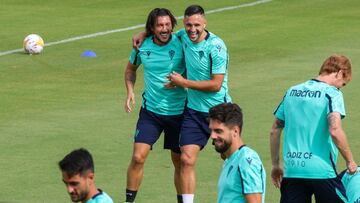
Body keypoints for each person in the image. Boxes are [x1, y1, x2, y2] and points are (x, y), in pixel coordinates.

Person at [133, 5, 231, 202]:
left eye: (196, 25)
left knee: (229, 157)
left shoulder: (216, 46)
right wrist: (144, 32)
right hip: (193, 112)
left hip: (219, 111)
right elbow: (164, 31)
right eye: (188, 25)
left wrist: (183, 83)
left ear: (205, 23)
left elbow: (216, 84)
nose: (192, 29)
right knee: (186, 159)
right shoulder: (182, 37)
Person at [270, 54, 358, 203]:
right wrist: (350, 161)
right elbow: (335, 130)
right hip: (322, 172)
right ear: (340, 73)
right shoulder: (332, 94)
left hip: (293, 171)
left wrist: (276, 165)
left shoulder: (292, 91)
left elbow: (275, 130)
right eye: (342, 84)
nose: (340, 88)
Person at [124, 8, 186, 203]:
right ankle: (129, 201)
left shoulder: (182, 42)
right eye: (160, 25)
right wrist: (130, 91)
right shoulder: (142, 47)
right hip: (151, 112)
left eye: (168, 24)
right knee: (138, 157)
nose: (165, 29)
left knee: (179, 162)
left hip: (179, 112)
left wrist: (183, 81)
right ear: (152, 27)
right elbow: (130, 70)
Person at [209, 103, 266, 203]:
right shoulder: (230, 159)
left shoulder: (246, 160)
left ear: (235, 131)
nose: (212, 136)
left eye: (218, 131)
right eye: (212, 130)